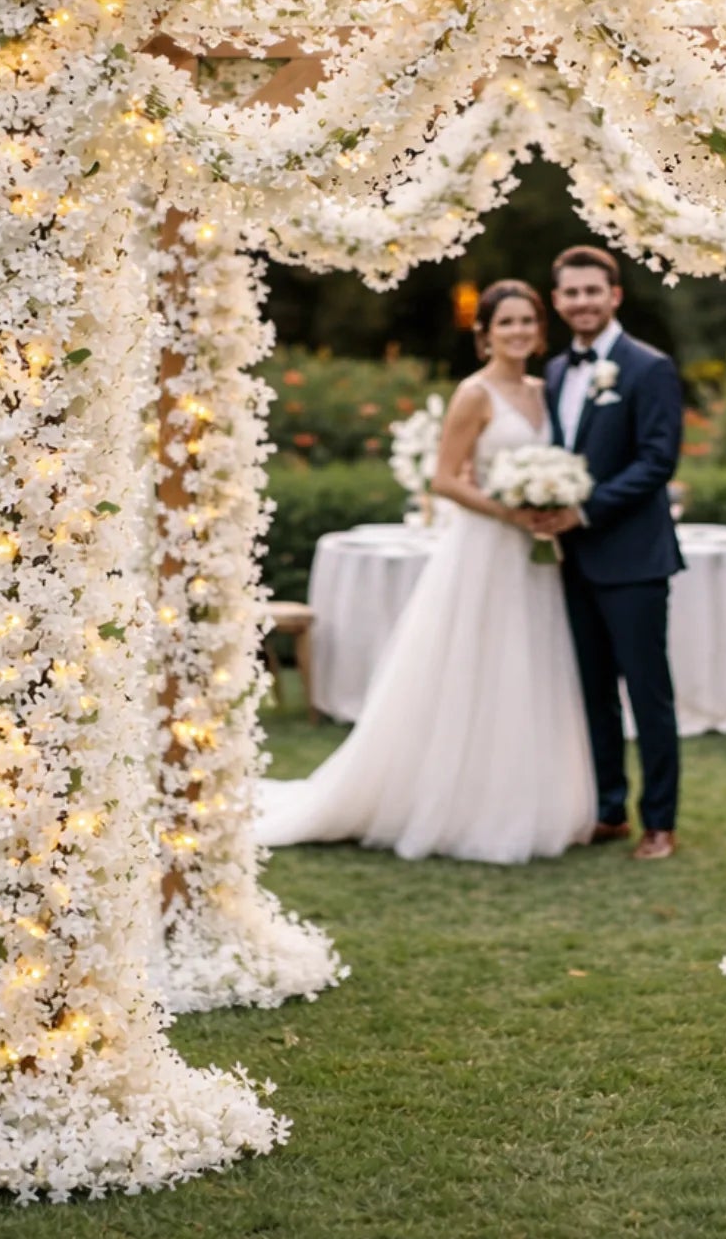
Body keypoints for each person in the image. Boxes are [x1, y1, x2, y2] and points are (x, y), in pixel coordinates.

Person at [254, 281, 596, 864]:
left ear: (540, 330)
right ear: (484, 333)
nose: (517, 332)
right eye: (505, 323)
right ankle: (450, 804)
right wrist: (511, 512)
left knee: (528, 666)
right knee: (474, 665)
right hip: (486, 549)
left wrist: (552, 504)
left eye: (526, 321)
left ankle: (527, 799)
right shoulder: (474, 393)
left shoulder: (547, 390)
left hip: (535, 559)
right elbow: (444, 478)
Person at [537, 246, 685, 861]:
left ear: (615, 295)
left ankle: (659, 822)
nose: (582, 302)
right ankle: (607, 810)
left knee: (647, 695)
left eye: (592, 291)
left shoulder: (649, 368)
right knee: (593, 692)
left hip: (634, 561)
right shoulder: (552, 372)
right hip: (570, 561)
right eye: (571, 293)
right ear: (557, 301)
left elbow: (657, 461)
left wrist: (584, 509)